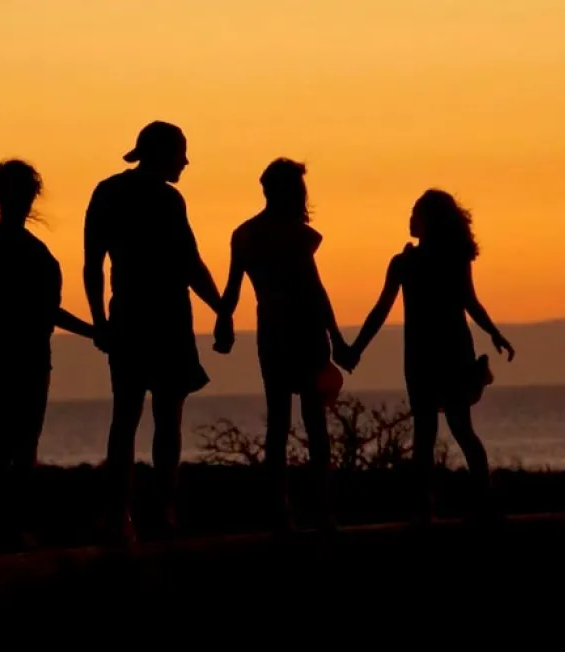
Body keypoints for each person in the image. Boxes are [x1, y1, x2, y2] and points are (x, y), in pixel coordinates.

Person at [83, 121, 222, 543]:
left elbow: (93, 266)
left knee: (126, 419)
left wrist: (100, 322)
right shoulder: (165, 199)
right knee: (164, 421)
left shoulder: (108, 192)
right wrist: (222, 309)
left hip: (129, 318)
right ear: (161, 153)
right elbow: (191, 264)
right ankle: (158, 512)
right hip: (163, 320)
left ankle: (123, 515)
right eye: (181, 152)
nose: (185, 161)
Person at [343, 188, 515, 523]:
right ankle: (471, 502)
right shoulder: (424, 262)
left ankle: (432, 507)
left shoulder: (408, 263)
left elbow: (382, 312)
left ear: (428, 221)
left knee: (432, 434)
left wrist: (355, 350)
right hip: (444, 354)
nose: (410, 218)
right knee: (456, 430)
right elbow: (469, 302)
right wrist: (356, 350)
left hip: (429, 356)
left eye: (415, 213)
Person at [0, 159, 94, 546]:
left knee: (10, 445)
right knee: (19, 447)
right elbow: (43, 313)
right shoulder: (32, 255)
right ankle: (9, 526)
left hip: (10, 358)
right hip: (26, 360)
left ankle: (5, 525)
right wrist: (95, 332)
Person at [214, 158, 349, 533]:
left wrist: (224, 324)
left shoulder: (244, 235)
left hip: (271, 333)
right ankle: (321, 508)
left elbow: (232, 290)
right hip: (304, 333)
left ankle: (280, 508)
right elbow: (315, 291)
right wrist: (336, 337)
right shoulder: (297, 235)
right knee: (314, 423)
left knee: (278, 421)